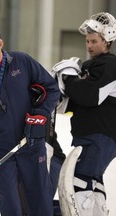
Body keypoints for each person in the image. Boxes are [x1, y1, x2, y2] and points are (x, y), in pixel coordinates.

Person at [0, 24, 60, 216]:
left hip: (32, 145)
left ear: (0, 43)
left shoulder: (22, 62)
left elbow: (52, 89)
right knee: (11, 207)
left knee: (40, 202)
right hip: (1, 152)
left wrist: (40, 115)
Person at [55, 12, 116, 216]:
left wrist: (70, 80)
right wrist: (61, 93)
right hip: (91, 136)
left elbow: (91, 95)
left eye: (94, 41)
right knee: (92, 182)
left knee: (79, 182)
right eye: (87, 41)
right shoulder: (91, 66)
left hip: (100, 136)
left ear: (107, 40)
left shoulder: (111, 65)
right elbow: (80, 100)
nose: (89, 45)